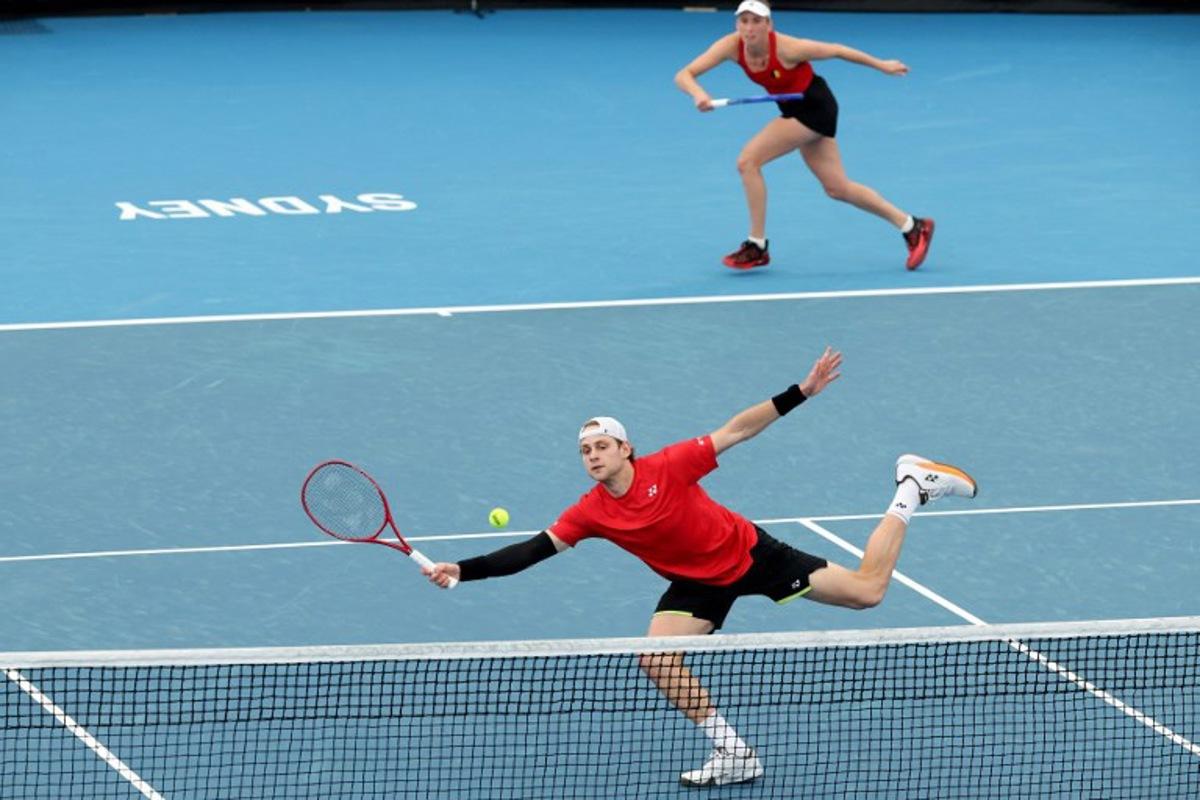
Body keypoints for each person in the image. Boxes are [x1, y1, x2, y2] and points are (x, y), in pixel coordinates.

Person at [424, 347, 977, 787]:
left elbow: (736, 429)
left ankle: (912, 487)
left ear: (626, 448)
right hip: (694, 583)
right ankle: (734, 752)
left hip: (752, 557)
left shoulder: (670, 464)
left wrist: (801, 392)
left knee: (869, 592)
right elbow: (532, 551)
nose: (592, 455)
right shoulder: (591, 512)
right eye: (584, 449)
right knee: (655, 659)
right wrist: (463, 570)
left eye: (602, 445)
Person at [674, 0, 935, 271]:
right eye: (744, 21)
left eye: (756, 21)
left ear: (769, 24)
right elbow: (684, 74)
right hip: (792, 108)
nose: (749, 28)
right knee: (837, 188)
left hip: (815, 107)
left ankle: (757, 246)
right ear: (737, 23)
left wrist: (881, 65)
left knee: (748, 162)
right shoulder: (730, 46)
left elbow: (837, 50)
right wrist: (698, 94)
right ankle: (913, 225)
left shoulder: (789, 48)